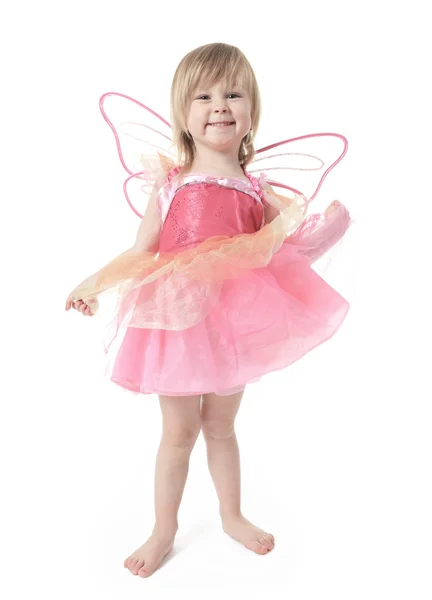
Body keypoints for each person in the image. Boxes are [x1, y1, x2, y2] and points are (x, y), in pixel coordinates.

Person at [65, 42, 352, 578]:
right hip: (173, 318)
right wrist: (94, 282)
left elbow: (287, 244)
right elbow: (140, 249)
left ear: (251, 114)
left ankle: (232, 515)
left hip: (232, 323)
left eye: (233, 94)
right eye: (204, 95)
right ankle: (163, 529)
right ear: (184, 112)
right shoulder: (169, 184)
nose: (220, 105)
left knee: (221, 426)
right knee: (178, 431)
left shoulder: (256, 187)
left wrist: (328, 225)